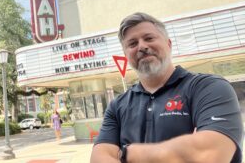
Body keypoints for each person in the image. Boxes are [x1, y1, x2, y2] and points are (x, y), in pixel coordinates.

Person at [91, 12, 243, 163]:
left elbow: (210, 153)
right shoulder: (117, 106)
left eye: (149, 38)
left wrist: (127, 154)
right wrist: (178, 152)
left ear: (169, 44)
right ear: (126, 55)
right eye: (132, 44)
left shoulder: (209, 88)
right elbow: (98, 158)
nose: (142, 46)